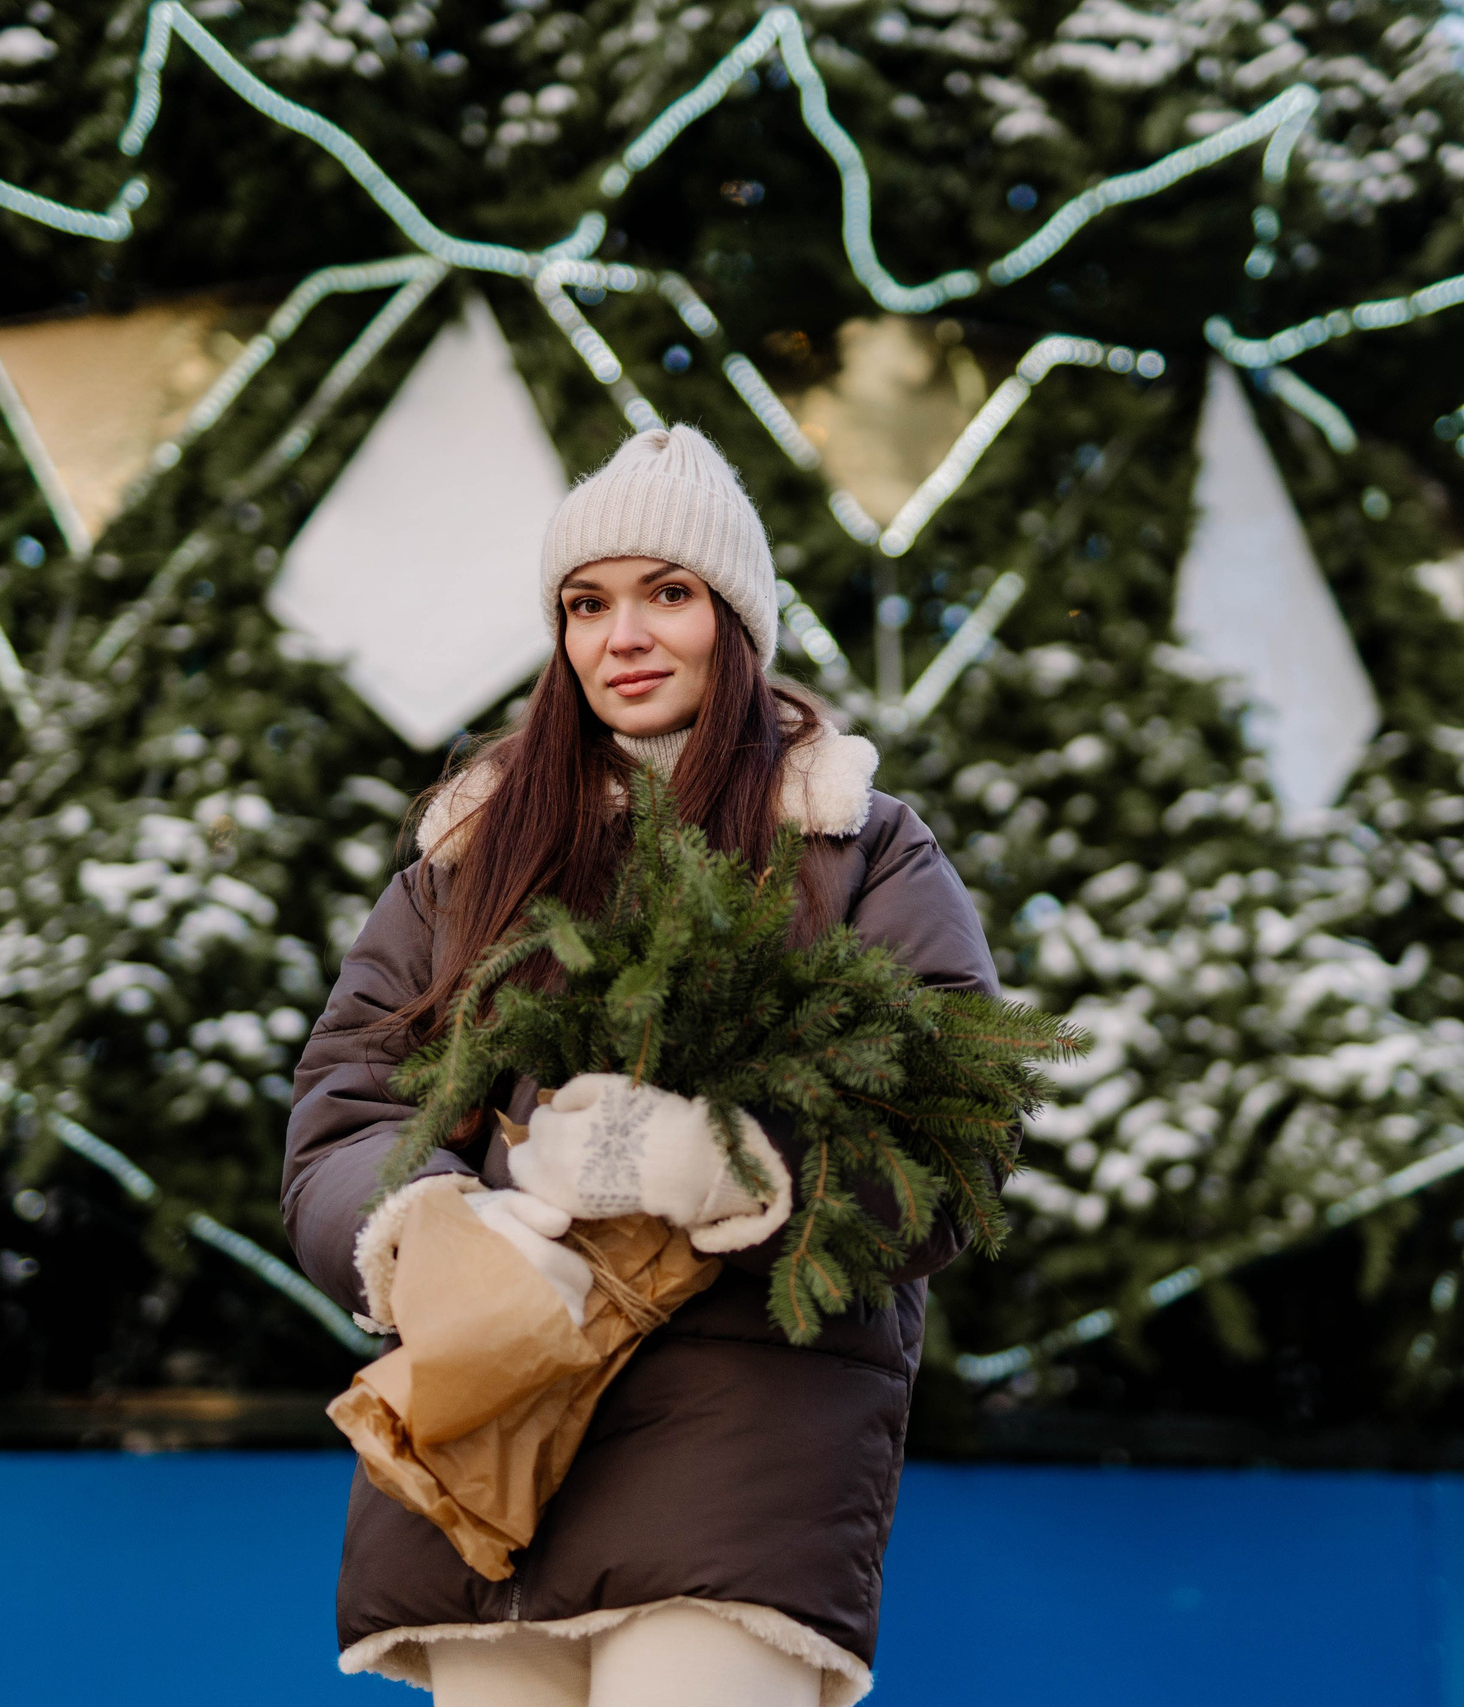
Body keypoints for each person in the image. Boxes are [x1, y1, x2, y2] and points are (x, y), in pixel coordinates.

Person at [283, 424, 1001, 1707]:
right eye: (586, 603)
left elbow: (951, 1136)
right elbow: (345, 1111)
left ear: (736, 620)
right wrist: (428, 1233)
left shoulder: (857, 845)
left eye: (667, 593)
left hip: (739, 1445)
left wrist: (727, 1165)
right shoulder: (467, 861)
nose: (623, 636)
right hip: (491, 1430)